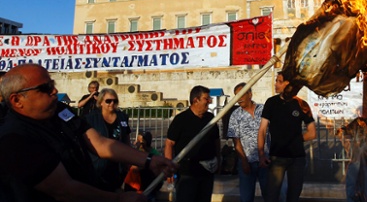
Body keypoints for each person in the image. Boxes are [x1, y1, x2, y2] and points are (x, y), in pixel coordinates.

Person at [0, 63, 177, 202]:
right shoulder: (14, 138)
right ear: (17, 100)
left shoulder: (60, 111)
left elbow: (99, 143)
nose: (54, 91)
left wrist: (148, 160)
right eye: (45, 88)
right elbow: (64, 190)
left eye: (53, 84)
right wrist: (117, 199)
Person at [258, 71, 316, 202]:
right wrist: (261, 154)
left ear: (288, 84)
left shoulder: (302, 105)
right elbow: (262, 129)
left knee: (293, 195)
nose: (276, 84)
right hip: (277, 157)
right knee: (271, 195)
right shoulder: (271, 102)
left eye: (279, 81)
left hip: (297, 158)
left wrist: (295, 140)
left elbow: (312, 133)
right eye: (276, 80)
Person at [164, 85, 221, 202]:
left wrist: (219, 159)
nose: (210, 101)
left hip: (207, 173)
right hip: (187, 173)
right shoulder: (181, 120)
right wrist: (168, 167)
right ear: (196, 100)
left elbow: (216, 140)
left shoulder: (210, 118)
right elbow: (169, 144)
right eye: (206, 98)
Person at [227, 82, 269, 202]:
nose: (238, 99)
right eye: (236, 96)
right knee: (246, 197)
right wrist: (244, 161)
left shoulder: (264, 110)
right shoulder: (235, 115)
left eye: (240, 95)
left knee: (270, 195)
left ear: (250, 94)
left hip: (265, 161)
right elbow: (236, 141)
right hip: (247, 163)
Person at [85, 88, 131, 192]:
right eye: (108, 101)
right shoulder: (90, 118)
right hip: (98, 165)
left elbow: (126, 138)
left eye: (115, 101)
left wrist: (129, 160)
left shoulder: (122, 117)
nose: (112, 103)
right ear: (101, 102)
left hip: (118, 165)